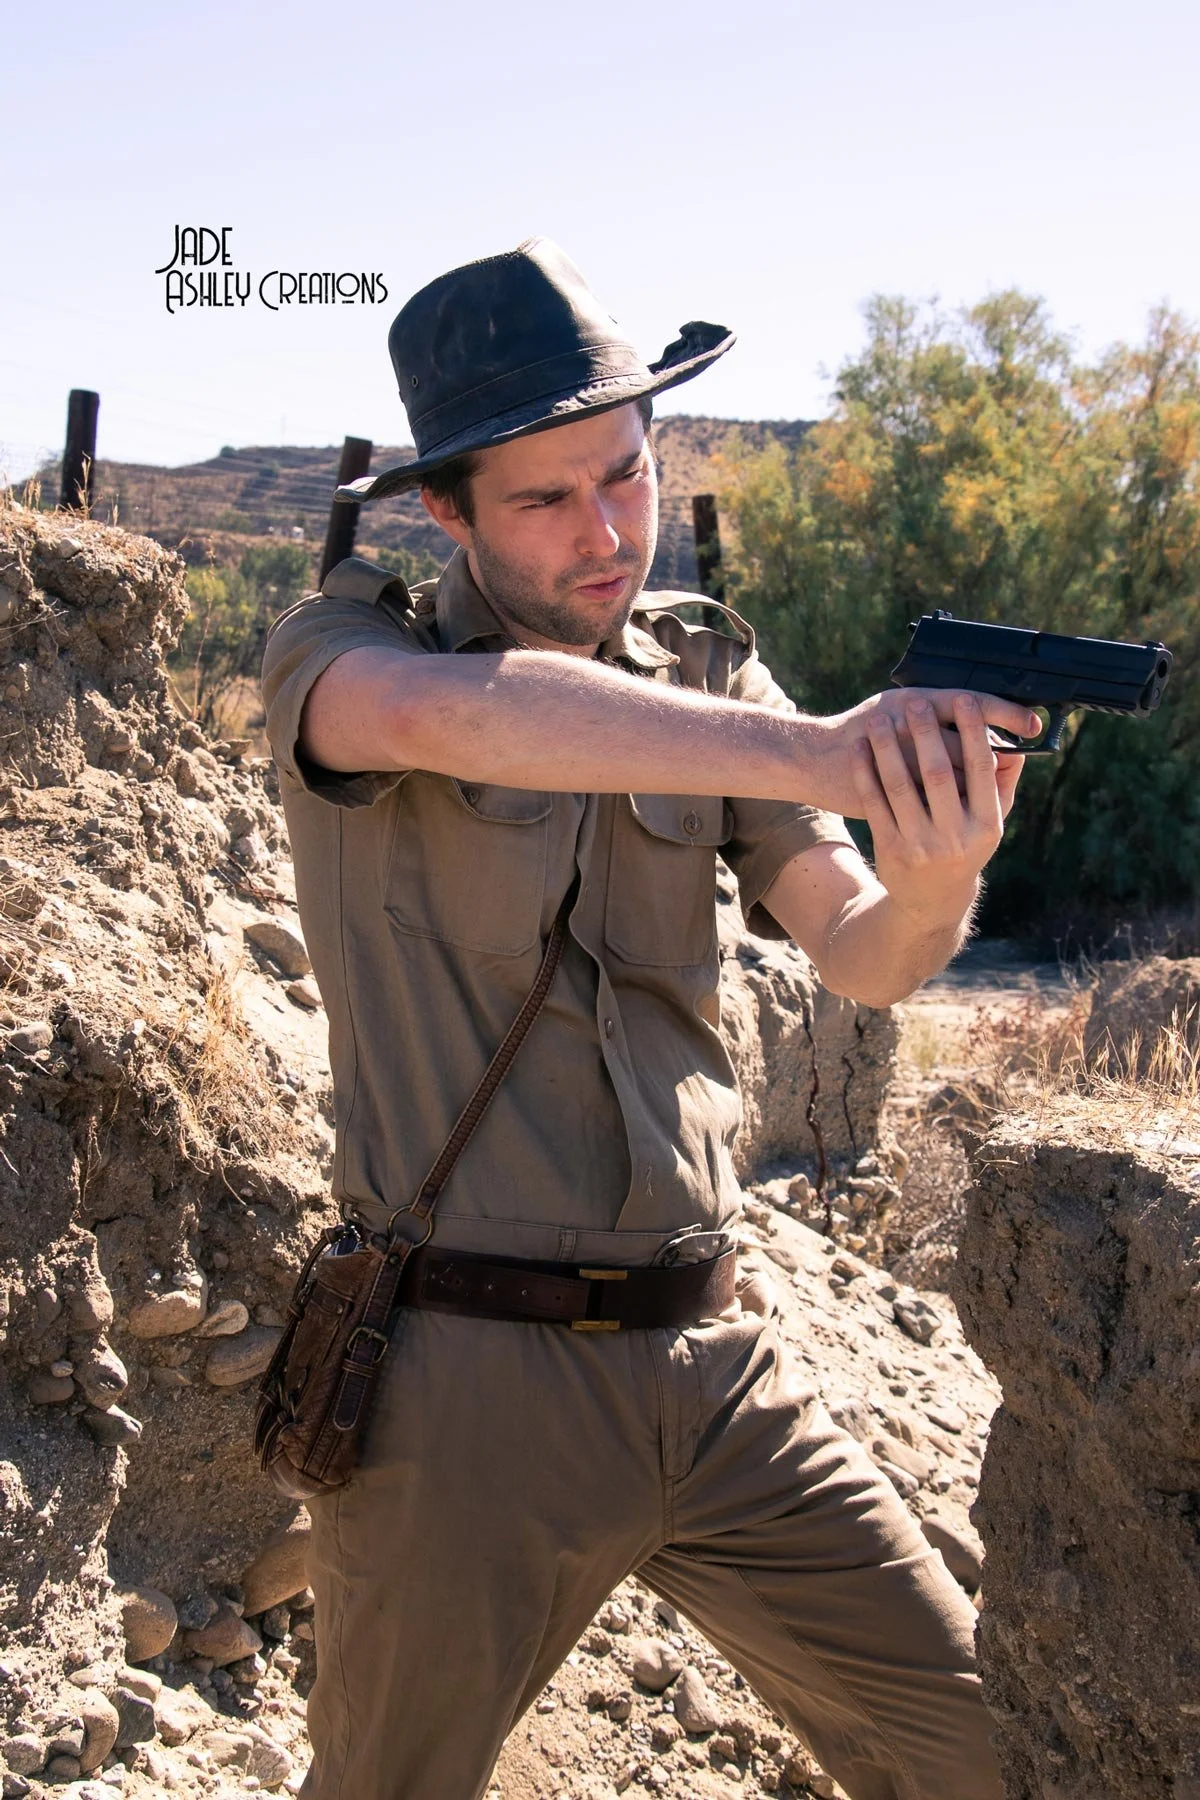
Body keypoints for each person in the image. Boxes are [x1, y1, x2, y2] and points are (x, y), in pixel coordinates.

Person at [262, 238, 1034, 1800]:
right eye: (546, 498)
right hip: (463, 1381)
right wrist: (824, 752)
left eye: (627, 475)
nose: (608, 531)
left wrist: (944, 866)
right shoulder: (349, 653)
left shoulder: (708, 674)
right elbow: (460, 717)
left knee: (982, 1746)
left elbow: (867, 952)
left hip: (716, 1359)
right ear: (448, 507)